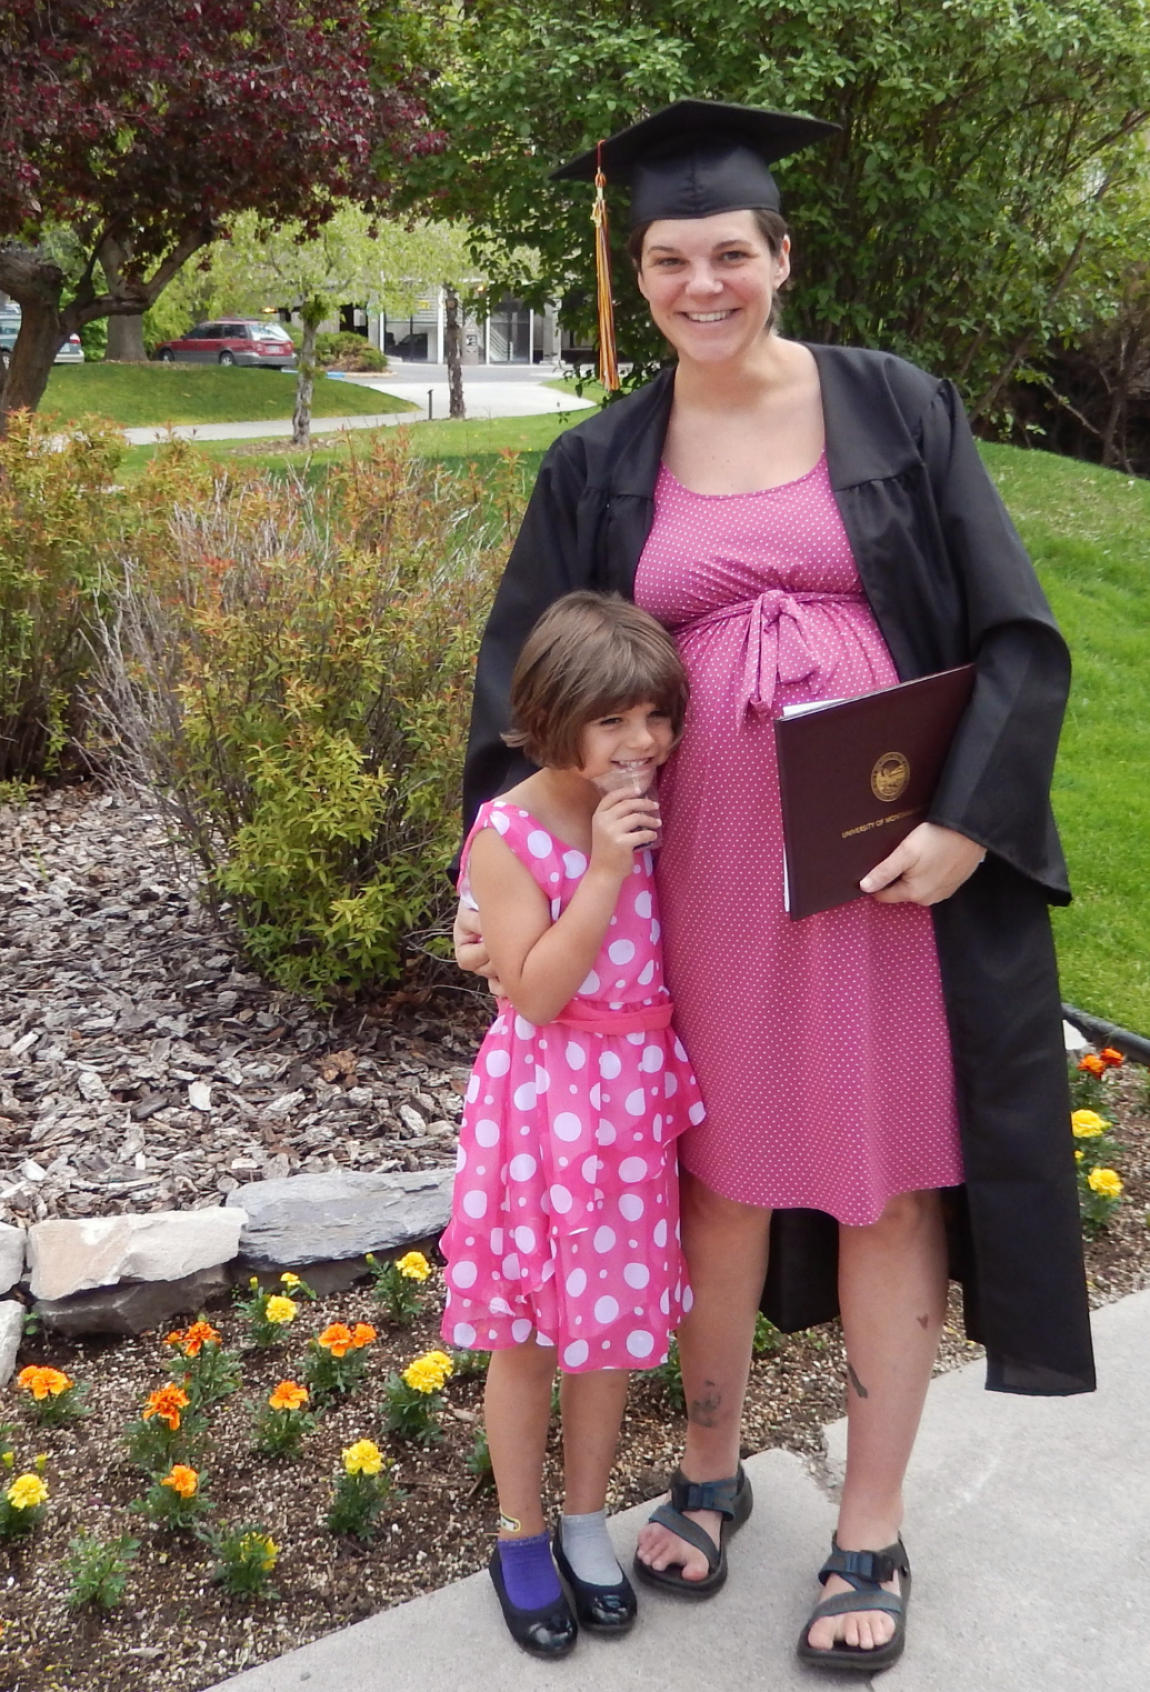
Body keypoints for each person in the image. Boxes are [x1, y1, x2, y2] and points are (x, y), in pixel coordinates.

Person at [456, 100, 1094, 1674]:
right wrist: (501, 876)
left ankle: (868, 1524)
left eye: (730, 252)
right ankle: (708, 1466)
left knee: (885, 1178)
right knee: (717, 1177)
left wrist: (964, 819)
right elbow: (517, 690)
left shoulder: (895, 409)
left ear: (782, 257)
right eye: (669, 260)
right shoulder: (602, 457)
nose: (701, 283)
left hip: (882, 875)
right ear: (644, 275)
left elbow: (1014, 634)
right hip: (690, 892)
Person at [441, 589, 704, 1659]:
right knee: (531, 1337)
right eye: (614, 720)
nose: (642, 741)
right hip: (545, 1110)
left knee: (606, 1336)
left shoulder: (647, 794)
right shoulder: (512, 834)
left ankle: (589, 1519)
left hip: (633, 1103)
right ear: (552, 717)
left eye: (656, 715)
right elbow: (537, 993)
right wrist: (602, 866)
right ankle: (520, 1533)